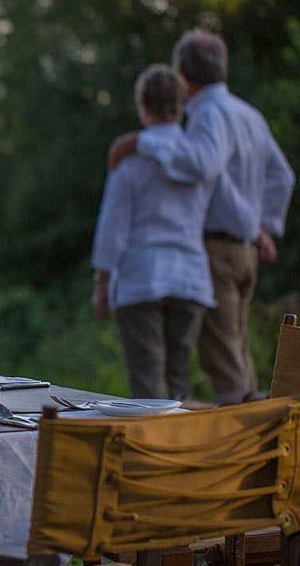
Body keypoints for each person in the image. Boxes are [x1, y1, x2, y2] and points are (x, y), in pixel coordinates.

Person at [107, 30, 295, 405]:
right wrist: (262, 227)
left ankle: (244, 454)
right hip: (245, 251)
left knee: (223, 361)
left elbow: (202, 165)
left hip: (215, 250)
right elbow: (282, 176)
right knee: (237, 351)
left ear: (182, 74)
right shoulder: (249, 114)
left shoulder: (207, 115)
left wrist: (139, 142)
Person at [92, 64, 215, 400]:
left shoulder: (129, 163)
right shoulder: (200, 159)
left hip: (141, 277)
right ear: (181, 107)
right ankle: (179, 449)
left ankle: (150, 451)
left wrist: (102, 284)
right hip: (189, 277)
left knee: (147, 380)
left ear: (142, 107)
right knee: (178, 380)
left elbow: (113, 228)